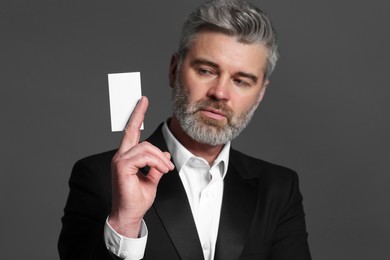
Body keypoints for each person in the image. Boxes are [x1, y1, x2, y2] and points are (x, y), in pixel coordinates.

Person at [58, 0, 312, 259]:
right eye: (206, 70)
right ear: (173, 70)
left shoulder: (279, 188)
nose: (220, 93)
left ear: (260, 94)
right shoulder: (99, 177)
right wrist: (125, 222)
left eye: (240, 81)